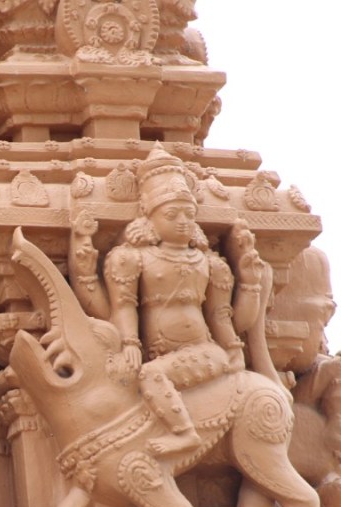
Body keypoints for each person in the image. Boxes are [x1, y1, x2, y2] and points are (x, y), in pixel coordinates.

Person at [104, 144, 264, 456]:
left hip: (205, 352)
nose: (183, 221)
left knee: (152, 374)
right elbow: (124, 306)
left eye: (189, 214)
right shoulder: (131, 258)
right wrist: (130, 344)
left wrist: (233, 350)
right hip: (161, 351)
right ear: (148, 215)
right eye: (171, 214)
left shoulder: (211, 263)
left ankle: (184, 433)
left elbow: (221, 316)